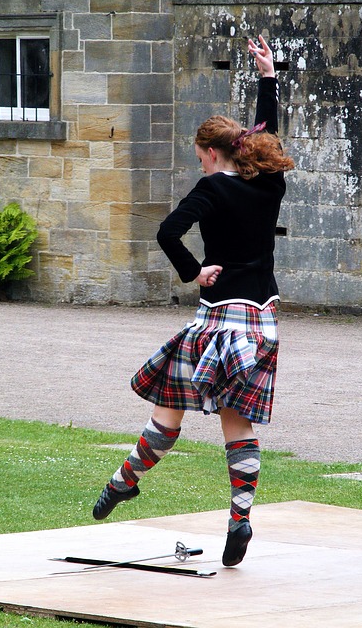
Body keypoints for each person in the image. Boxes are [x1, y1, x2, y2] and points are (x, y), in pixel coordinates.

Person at [93, 35, 294, 567]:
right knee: (237, 425)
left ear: (209, 152)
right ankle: (241, 517)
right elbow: (267, 133)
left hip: (217, 321)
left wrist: (194, 272)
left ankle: (124, 481)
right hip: (263, 324)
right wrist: (268, 76)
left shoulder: (209, 190)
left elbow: (166, 233)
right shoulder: (268, 182)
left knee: (168, 417)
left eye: (200, 154)